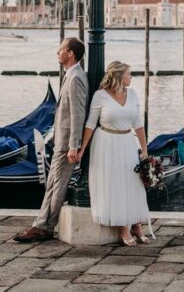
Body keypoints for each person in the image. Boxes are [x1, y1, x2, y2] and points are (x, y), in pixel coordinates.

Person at [14, 37, 88, 242]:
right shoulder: (71, 75)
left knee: (57, 185)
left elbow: (77, 114)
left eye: (61, 49)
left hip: (67, 144)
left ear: (70, 53)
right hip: (62, 141)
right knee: (52, 184)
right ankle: (41, 225)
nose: (57, 52)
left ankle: (44, 227)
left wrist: (74, 145)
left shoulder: (76, 78)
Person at [76, 60, 151, 246]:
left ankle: (137, 224)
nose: (130, 77)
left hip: (127, 141)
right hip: (106, 142)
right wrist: (82, 148)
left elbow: (138, 124)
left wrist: (144, 149)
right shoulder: (100, 96)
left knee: (133, 183)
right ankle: (122, 227)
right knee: (114, 183)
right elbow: (90, 124)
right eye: (128, 74)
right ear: (118, 76)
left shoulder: (132, 94)